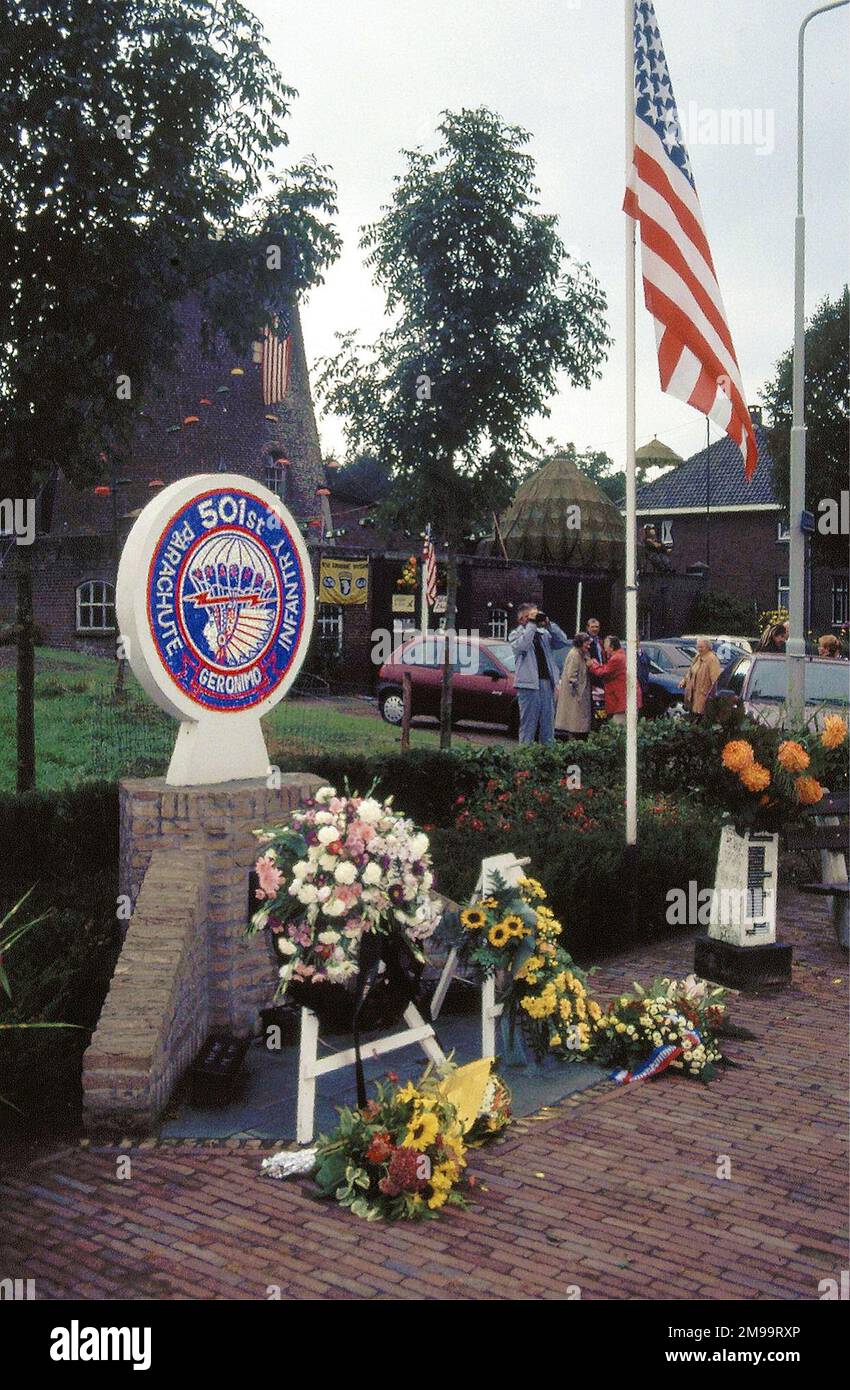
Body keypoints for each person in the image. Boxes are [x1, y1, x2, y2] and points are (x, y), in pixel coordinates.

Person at [509, 603, 569, 744]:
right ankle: (525, 757)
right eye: (531, 615)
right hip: (528, 685)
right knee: (528, 725)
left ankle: (547, 756)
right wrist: (531, 624)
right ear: (522, 619)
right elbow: (523, 645)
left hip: (547, 683)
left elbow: (562, 641)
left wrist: (549, 624)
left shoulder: (544, 634)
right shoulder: (515, 634)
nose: (535, 618)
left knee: (548, 724)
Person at [587, 635, 641, 725]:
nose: (605, 649)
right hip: (625, 698)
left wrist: (593, 664)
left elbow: (604, 672)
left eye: (606, 647)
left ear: (611, 648)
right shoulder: (621, 655)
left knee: (617, 728)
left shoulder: (617, 658)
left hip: (623, 700)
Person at [555, 632, 592, 740]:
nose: (588, 646)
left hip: (581, 693)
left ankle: (576, 742)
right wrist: (577, 692)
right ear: (580, 643)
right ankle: (573, 744)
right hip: (575, 695)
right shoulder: (574, 655)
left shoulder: (583, 654)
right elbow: (571, 675)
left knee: (578, 723)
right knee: (574, 722)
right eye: (586, 643)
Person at [680, 637, 722, 718]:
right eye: (698, 647)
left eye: (702, 647)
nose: (699, 649)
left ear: (708, 647)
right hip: (692, 697)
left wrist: (712, 697)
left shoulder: (712, 659)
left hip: (703, 697)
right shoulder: (698, 657)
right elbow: (691, 672)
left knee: (699, 718)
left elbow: (715, 680)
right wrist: (684, 681)